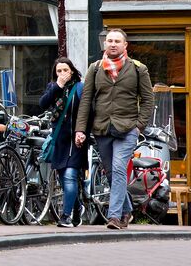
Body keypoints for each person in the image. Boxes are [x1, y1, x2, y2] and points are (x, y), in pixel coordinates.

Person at [74, 28, 154, 230]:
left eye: (117, 41)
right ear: (105, 44)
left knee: (119, 169)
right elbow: (86, 100)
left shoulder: (138, 69)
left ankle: (114, 217)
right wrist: (80, 129)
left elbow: (148, 100)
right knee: (111, 173)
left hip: (127, 129)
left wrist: (139, 127)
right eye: (109, 40)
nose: (112, 44)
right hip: (102, 129)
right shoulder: (95, 68)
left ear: (125, 45)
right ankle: (127, 211)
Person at [39, 57, 85, 227]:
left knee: (70, 176)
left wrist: (83, 132)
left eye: (65, 70)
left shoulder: (80, 88)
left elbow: (87, 111)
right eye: (59, 71)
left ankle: (65, 216)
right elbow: (43, 104)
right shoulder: (53, 88)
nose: (62, 73)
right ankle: (77, 207)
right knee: (63, 178)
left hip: (76, 139)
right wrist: (57, 86)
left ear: (71, 70)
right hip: (59, 138)